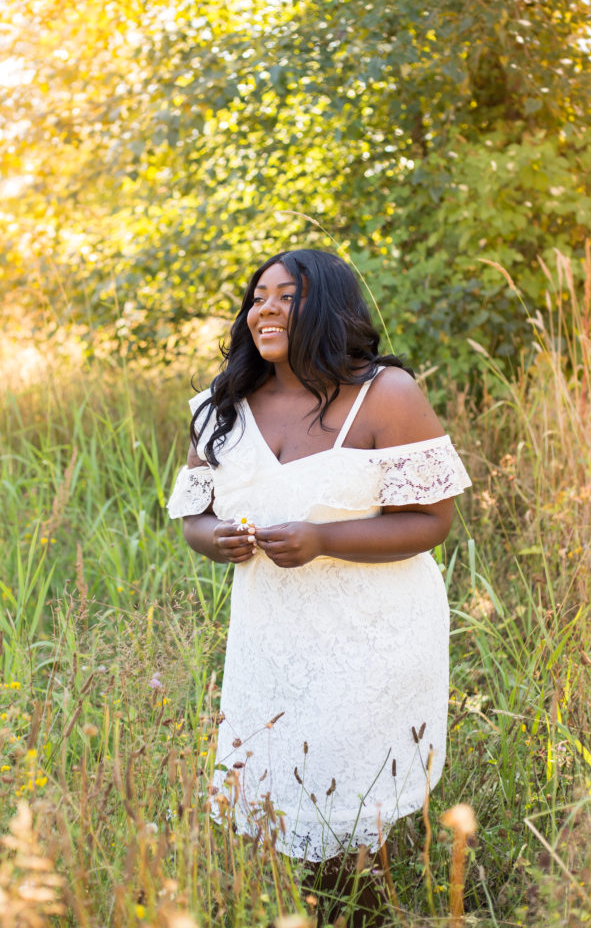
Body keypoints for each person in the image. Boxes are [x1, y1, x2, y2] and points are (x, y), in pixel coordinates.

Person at [167, 248, 471, 870]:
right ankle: (294, 921)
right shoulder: (218, 406)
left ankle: (367, 927)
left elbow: (433, 522)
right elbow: (193, 516)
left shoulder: (386, 395)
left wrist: (324, 539)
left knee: (355, 808)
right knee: (277, 786)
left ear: (328, 308)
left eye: (287, 296)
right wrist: (215, 536)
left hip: (374, 632)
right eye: (258, 298)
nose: (266, 310)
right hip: (270, 634)